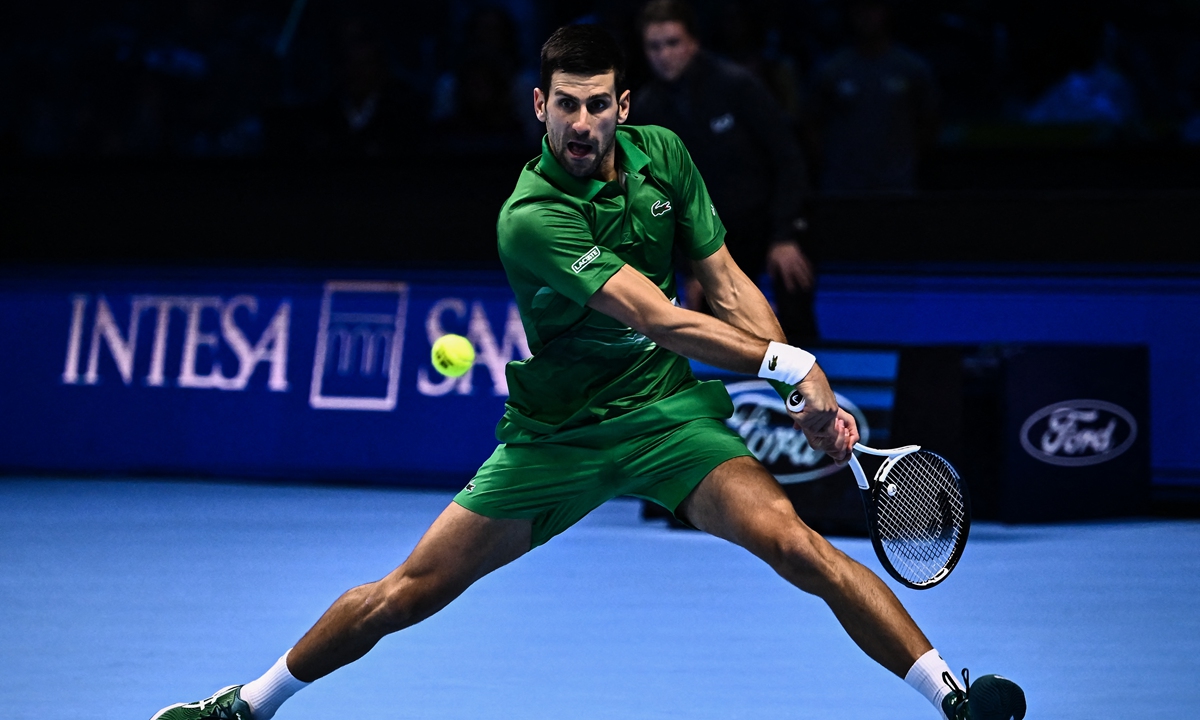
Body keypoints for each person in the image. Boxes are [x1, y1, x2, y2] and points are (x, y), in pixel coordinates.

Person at [151, 24, 1025, 720]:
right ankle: (247, 706)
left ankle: (953, 697)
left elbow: (723, 283)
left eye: (597, 105)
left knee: (799, 546)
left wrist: (800, 388)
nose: (580, 124)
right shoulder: (530, 219)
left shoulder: (666, 159)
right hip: (557, 436)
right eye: (564, 105)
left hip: (666, 417)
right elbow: (662, 316)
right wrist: (793, 364)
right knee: (405, 595)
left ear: (623, 104)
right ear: (539, 105)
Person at [632, 0, 818, 345]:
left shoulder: (736, 86)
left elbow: (788, 159)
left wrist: (784, 236)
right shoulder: (646, 110)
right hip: (710, 243)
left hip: (765, 224)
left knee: (793, 294)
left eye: (672, 43)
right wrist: (690, 266)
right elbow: (657, 199)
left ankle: (814, 389)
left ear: (693, 42)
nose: (664, 55)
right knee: (710, 332)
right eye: (654, 46)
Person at [805, 0, 939, 195]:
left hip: (895, 186)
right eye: (860, 9)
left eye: (873, 8)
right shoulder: (830, 70)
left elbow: (930, 121)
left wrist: (905, 160)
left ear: (886, 13)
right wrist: (828, 160)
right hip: (842, 187)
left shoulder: (912, 69)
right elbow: (810, 121)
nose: (866, 17)